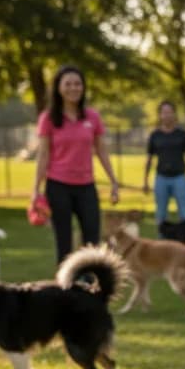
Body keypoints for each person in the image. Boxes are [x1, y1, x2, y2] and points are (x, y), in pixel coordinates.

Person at [32, 65, 120, 264]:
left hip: (86, 187)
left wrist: (113, 181)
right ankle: (64, 290)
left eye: (78, 83)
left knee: (92, 244)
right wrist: (35, 190)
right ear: (59, 88)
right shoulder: (48, 118)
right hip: (58, 186)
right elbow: (43, 154)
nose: (74, 88)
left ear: (83, 87)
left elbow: (102, 150)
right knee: (64, 243)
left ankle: (90, 289)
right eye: (68, 84)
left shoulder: (92, 117)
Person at [142, 101, 185, 224]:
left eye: (169, 112)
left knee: (184, 213)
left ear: (174, 114)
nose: (167, 115)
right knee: (161, 213)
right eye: (164, 112)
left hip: (180, 178)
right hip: (161, 178)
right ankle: (162, 242)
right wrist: (145, 181)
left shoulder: (183, 134)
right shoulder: (155, 135)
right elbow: (149, 159)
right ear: (160, 115)